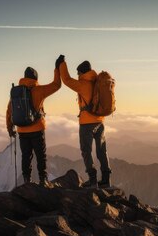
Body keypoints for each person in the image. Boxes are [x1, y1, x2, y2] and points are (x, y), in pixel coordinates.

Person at [6, 58, 63, 186]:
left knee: (26, 156)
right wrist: (57, 68)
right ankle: (43, 180)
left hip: (22, 130)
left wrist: (10, 129)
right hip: (37, 129)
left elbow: (9, 111)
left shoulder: (17, 93)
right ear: (35, 78)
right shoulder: (39, 90)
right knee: (40, 155)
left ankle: (27, 180)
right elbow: (56, 85)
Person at [58, 55, 112, 188]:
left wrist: (61, 64)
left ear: (82, 72)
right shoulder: (98, 83)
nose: (77, 75)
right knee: (101, 151)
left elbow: (66, 79)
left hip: (87, 123)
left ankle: (93, 180)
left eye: (78, 73)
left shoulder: (83, 84)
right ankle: (106, 180)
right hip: (100, 121)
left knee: (86, 151)